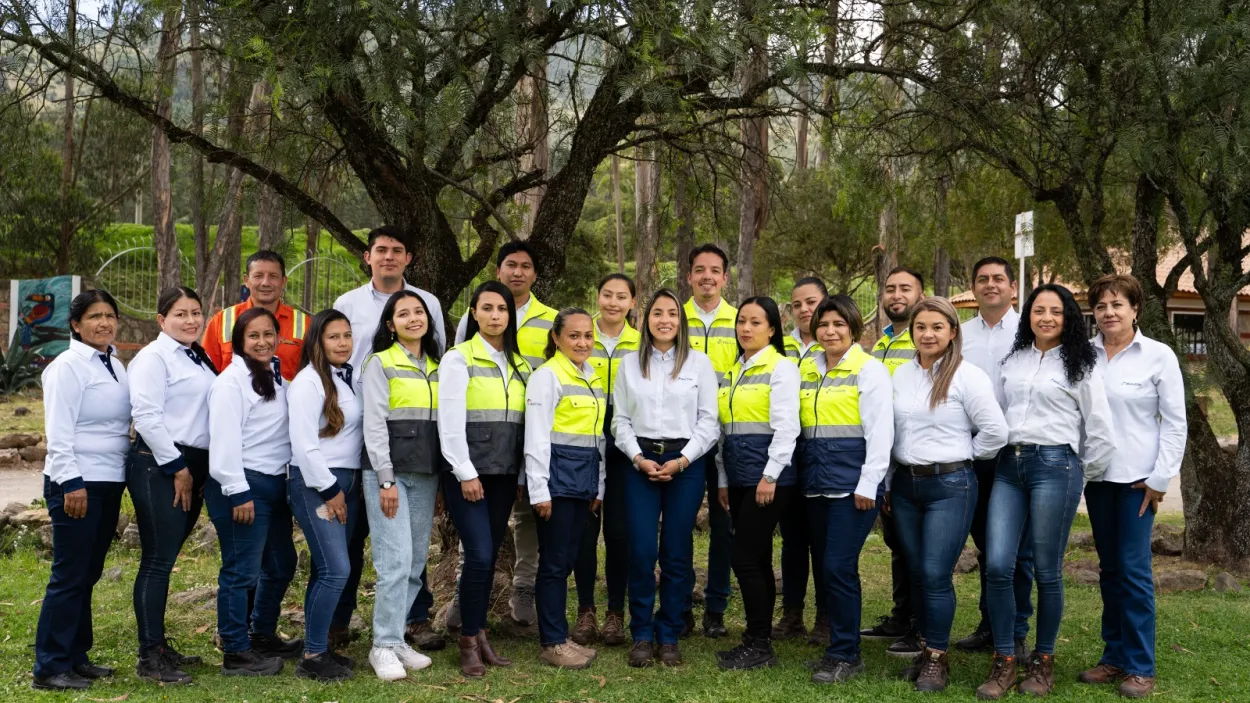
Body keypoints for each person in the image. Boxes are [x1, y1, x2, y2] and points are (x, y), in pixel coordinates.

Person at [976, 284, 1117, 700]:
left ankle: (1043, 660)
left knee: (1046, 569)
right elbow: (996, 416)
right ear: (1029, 315)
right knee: (998, 564)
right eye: (1039, 310)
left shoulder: (1082, 362)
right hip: (1008, 465)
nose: (1047, 318)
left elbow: (1101, 432)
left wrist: (1077, 473)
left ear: (1068, 316)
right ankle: (1005, 658)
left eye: (1056, 311)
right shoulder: (1013, 360)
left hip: (1056, 466)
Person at [332, 226, 446, 650]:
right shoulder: (348, 304)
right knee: (359, 541)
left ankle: (409, 625)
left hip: (415, 444)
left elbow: (435, 370)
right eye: (381, 250)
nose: (389, 257)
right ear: (368, 257)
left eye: (398, 251)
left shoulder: (427, 303)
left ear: (409, 258)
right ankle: (340, 622)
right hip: (362, 433)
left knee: (411, 551)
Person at [888, 298, 1008, 692]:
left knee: (937, 574)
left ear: (952, 332)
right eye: (921, 326)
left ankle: (937, 659)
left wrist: (960, 459)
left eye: (937, 327)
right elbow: (893, 434)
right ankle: (926, 649)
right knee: (919, 571)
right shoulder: (901, 375)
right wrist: (889, 482)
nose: (928, 334)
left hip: (950, 488)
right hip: (906, 486)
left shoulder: (967, 377)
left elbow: (995, 431)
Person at [1081, 274, 1185, 699]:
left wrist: (1160, 480)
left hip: (1138, 483)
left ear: (1135, 309)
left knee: (1135, 572)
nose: (1108, 313)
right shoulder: (1083, 355)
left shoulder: (1158, 356)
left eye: (1117, 305)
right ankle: (1114, 656)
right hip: (1097, 480)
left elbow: (1175, 424)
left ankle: (1141, 666)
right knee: (1109, 571)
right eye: (1101, 306)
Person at [612, 289, 720, 668]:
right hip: (639, 461)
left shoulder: (699, 364)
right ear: (646, 319)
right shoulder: (629, 364)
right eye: (657, 313)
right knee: (641, 551)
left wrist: (683, 460)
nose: (664, 320)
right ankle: (641, 632)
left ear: (681, 320)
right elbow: (620, 421)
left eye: (672, 314)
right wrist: (638, 458)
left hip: (685, 464)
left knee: (677, 552)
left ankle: (669, 631)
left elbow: (709, 421)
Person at [455, 241, 556, 629]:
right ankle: (468, 593)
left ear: (535, 274)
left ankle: (523, 588)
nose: (517, 272)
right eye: (510, 265)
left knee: (528, 516)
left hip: (529, 431)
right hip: (482, 436)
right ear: (498, 271)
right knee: (477, 525)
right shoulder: (477, 314)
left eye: (526, 266)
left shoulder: (551, 318)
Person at [32, 291, 130, 692]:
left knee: (88, 572)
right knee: (70, 575)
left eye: (109, 315)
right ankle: (50, 666)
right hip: (77, 484)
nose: (104, 323)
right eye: (94, 317)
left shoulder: (114, 364)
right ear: (76, 324)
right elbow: (59, 432)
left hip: (108, 481)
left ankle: (76, 656)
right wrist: (71, 482)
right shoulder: (68, 367)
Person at [796, 296, 893, 685]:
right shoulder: (808, 367)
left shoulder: (869, 371)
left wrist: (869, 483)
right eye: (823, 324)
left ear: (853, 327)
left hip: (852, 488)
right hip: (816, 486)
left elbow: (880, 432)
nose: (830, 331)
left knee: (838, 567)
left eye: (838, 324)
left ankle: (846, 654)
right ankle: (838, 644)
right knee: (827, 568)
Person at [127, 287, 217, 685]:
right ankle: (150, 657)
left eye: (196, 312)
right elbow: (146, 416)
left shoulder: (197, 355)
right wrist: (178, 467)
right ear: (161, 320)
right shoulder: (153, 357)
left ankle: (160, 645)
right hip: (161, 464)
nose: (191, 320)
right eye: (181, 314)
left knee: (166, 558)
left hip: (192, 464)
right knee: (157, 560)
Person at [440, 281, 530, 677]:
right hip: (468, 476)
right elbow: (450, 422)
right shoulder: (459, 359)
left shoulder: (521, 365)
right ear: (473, 313)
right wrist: (465, 471)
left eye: (502, 309)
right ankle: (466, 642)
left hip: (504, 475)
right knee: (477, 555)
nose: (495, 315)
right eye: (487, 308)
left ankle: (478, 633)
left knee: (488, 556)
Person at [205, 307, 300, 677]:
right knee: (241, 571)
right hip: (243, 485)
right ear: (240, 342)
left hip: (275, 484)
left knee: (280, 564)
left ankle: (261, 633)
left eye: (268, 334)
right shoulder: (231, 384)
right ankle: (236, 651)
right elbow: (224, 443)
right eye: (253, 336)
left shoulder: (278, 377)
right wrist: (237, 491)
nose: (262, 342)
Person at [360, 292, 444, 681]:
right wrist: (385, 477)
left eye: (419, 312)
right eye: (403, 314)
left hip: (425, 474)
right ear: (390, 325)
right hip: (389, 476)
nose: (414, 318)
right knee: (393, 563)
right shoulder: (381, 363)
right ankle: (381, 645)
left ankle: (396, 641)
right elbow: (374, 425)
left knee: (413, 564)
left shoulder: (440, 366)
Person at [714, 296, 801, 670]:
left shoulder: (781, 368)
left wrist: (770, 476)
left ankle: (760, 643)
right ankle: (755, 637)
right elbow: (724, 432)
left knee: (744, 557)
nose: (745, 329)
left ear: (772, 328)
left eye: (755, 322)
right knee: (758, 557)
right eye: (741, 322)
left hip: (769, 479)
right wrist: (722, 479)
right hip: (738, 477)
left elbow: (787, 428)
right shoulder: (735, 370)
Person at [956, 257, 1035, 657]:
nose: (990, 285)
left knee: (1015, 550)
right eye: (982, 279)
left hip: (1013, 454)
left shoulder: (1030, 330)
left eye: (998, 279)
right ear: (973, 287)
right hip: (969, 452)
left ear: (1012, 287)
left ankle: (1016, 630)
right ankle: (991, 624)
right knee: (987, 546)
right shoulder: (960, 334)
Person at [525, 308, 608, 669]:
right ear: (556, 338)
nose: (582, 342)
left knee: (569, 558)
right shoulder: (547, 376)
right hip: (556, 483)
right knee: (555, 564)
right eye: (574, 336)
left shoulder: (592, 376)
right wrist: (539, 489)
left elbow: (596, 438)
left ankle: (560, 636)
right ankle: (553, 642)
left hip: (583, 483)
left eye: (588, 336)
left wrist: (598, 485)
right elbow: (537, 435)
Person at [285, 310, 363, 681]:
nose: (343, 343)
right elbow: (303, 445)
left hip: (347, 483)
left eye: (347, 335)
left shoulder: (343, 378)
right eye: (334, 337)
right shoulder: (308, 383)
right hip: (318, 484)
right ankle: (313, 657)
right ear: (317, 341)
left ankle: (318, 647)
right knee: (337, 569)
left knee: (326, 570)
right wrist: (331, 490)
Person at [573, 274, 639, 647]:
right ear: (597, 297)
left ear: (632, 302)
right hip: (582, 438)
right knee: (585, 529)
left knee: (619, 532)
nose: (613, 302)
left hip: (626, 443)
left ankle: (615, 613)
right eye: (607, 295)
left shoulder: (640, 342)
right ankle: (585, 611)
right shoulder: (583, 335)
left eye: (621, 296)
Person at [862, 266, 924, 659]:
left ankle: (921, 625)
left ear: (921, 294)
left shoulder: (924, 338)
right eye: (889, 289)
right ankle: (902, 617)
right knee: (898, 544)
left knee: (916, 546)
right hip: (885, 459)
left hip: (914, 457)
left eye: (905, 288)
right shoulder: (882, 343)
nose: (896, 295)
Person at [681, 243, 737, 638]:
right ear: (689, 276)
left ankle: (716, 607)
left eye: (714, 270)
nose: (707, 277)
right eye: (699, 270)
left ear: (725, 277)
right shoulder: (671, 317)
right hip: (681, 441)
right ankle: (681, 603)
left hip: (727, 439)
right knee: (681, 525)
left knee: (725, 525)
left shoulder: (740, 320)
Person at [774, 276, 828, 644]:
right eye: (797, 305)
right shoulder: (781, 349)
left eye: (811, 302)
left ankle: (826, 618)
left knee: (824, 541)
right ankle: (792, 614)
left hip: (824, 456)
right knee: (792, 541)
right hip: (788, 458)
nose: (805, 310)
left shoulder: (837, 343)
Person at [202, 250, 309, 380]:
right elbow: (206, 373)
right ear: (246, 280)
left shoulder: (305, 324)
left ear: (283, 281)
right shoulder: (221, 321)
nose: (265, 282)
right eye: (258, 276)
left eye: (273, 276)